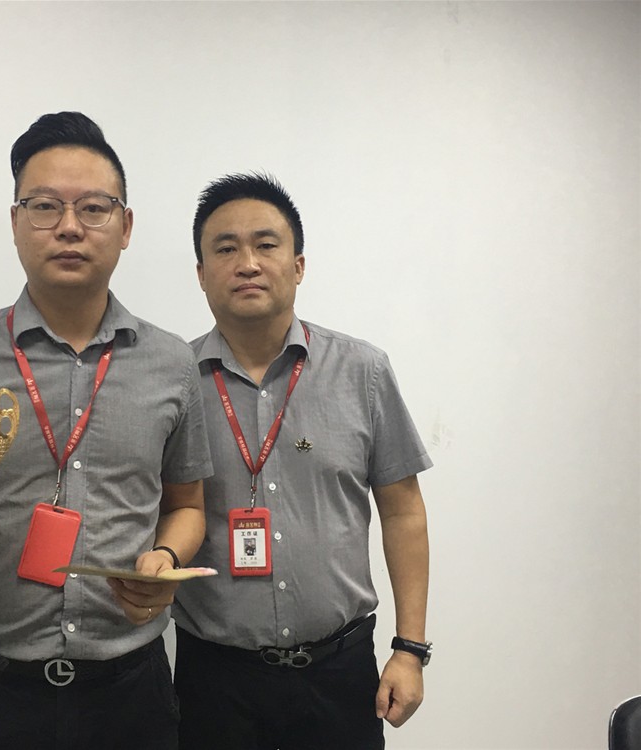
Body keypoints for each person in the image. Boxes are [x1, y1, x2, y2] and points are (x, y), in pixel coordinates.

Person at [0, 112, 211, 750]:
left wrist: (166, 561)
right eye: (44, 206)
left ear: (125, 226)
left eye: (93, 207)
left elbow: (188, 506)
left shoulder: (172, 363)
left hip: (129, 691)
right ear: (15, 223)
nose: (68, 226)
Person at [172, 173, 432, 749]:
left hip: (339, 674)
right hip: (214, 679)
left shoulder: (362, 371)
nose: (247, 263)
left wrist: (410, 649)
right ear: (201, 273)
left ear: (298, 266)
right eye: (225, 249)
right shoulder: (172, 383)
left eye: (265, 245)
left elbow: (404, 511)